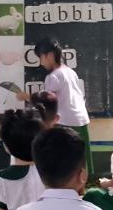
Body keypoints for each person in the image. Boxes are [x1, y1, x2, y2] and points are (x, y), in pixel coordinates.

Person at [17, 37, 92, 175]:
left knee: (64, 164)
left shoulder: (53, 76)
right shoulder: (70, 72)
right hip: (81, 120)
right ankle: (82, 185)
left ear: (50, 55)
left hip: (65, 122)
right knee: (79, 163)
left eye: (41, 57)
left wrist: (26, 96)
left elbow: (47, 101)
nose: (41, 62)